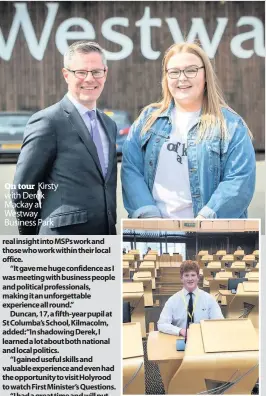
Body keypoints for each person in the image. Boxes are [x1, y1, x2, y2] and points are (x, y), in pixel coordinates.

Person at [121, 42, 256, 219]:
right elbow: (131, 170)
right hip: (155, 231)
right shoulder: (148, 120)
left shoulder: (230, 125)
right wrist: (149, 216)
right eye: (174, 72)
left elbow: (239, 180)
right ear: (166, 77)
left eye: (191, 70)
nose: (182, 78)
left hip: (210, 234)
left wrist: (204, 221)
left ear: (205, 75)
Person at [12, 41, 117, 235]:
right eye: (81, 72)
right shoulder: (48, 121)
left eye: (96, 72)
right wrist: (32, 242)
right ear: (66, 74)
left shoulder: (109, 125)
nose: (89, 79)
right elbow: (22, 191)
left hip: (105, 238)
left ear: (105, 73)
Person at [157, 260, 223, 337]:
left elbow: (219, 322)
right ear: (181, 278)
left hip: (204, 339)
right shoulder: (172, 300)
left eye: (193, 275)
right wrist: (180, 331)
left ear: (198, 277)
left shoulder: (209, 299)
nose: (190, 279)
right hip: (181, 339)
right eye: (186, 275)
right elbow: (161, 324)